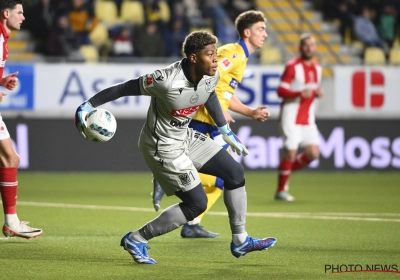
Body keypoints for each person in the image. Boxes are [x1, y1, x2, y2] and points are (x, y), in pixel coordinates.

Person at [75, 30, 277, 264]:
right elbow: (123, 88)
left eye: (215, 53)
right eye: (210, 54)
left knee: (235, 172)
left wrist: (225, 130)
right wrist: (88, 105)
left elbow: (209, 95)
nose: (215, 59)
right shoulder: (164, 80)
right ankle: (137, 238)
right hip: (161, 147)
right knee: (196, 204)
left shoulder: (211, 73)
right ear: (193, 57)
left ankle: (240, 240)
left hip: (185, 136)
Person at [151, 10, 270, 238]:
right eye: (260, 29)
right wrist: (219, 113)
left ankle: (192, 223)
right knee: (226, 174)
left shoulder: (241, 57)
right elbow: (206, 78)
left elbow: (223, 91)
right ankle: (165, 176)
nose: (265, 34)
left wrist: (249, 112)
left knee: (222, 181)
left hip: (212, 122)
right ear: (247, 32)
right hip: (203, 121)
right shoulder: (232, 54)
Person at [0, 0, 42, 239]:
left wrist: (2, 80)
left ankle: (11, 222)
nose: (23, 17)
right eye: (19, 12)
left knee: (10, 159)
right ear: (6, 14)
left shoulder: (3, 39)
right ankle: (11, 223)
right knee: (10, 159)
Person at [275, 33, 323, 202]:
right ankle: (281, 190)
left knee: (313, 154)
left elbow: (312, 89)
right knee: (291, 153)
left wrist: (316, 93)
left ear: (315, 48)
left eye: (312, 45)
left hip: (308, 118)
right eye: (306, 45)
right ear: (300, 48)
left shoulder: (317, 68)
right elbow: (280, 91)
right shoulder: (293, 66)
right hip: (291, 115)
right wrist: (299, 93)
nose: (309, 48)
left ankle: (284, 171)